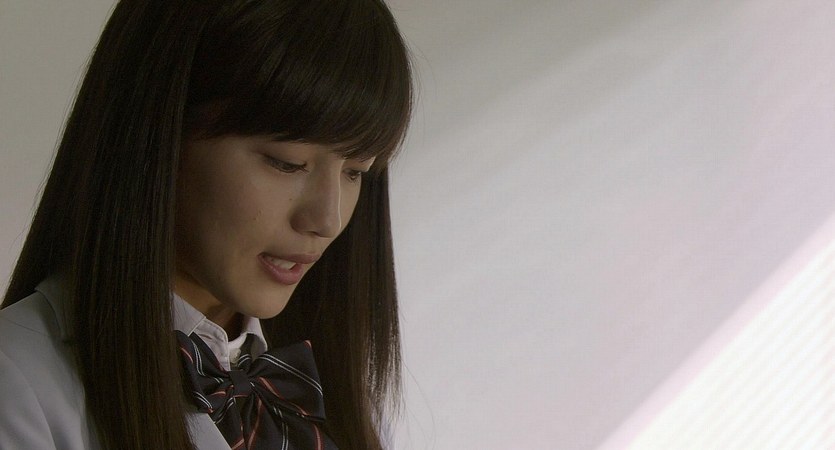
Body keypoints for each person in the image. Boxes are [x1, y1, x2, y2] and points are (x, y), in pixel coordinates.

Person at [0, 0, 412, 449]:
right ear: (159, 132)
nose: (327, 220)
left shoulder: (322, 390)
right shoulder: (18, 384)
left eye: (355, 172)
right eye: (287, 162)